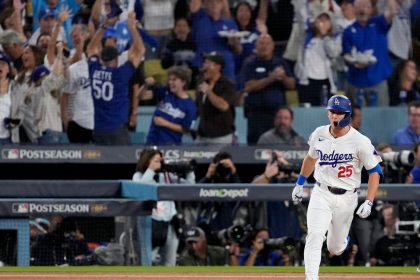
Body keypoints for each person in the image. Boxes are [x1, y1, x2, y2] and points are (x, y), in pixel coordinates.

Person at [291, 95, 383, 280]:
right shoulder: (319, 133)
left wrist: (370, 201)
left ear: (348, 115)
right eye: (333, 111)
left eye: (340, 113)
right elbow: (310, 158)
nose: (335, 116)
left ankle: (342, 241)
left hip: (347, 198)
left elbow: (375, 171)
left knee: (335, 248)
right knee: (315, 235)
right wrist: (300, 183)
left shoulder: (360, 141)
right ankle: (311, 278)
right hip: (321, 192)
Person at [87, 11, 144, 145]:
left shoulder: (94, 70)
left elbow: (91, 48)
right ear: (116, 59)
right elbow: (140, 50)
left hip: (98, 128)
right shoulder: (120, 75)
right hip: (116, 129)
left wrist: (103, 26)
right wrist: (132, 27)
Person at [133, 148, 195, 266]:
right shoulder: (138, 175)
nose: (160, 163)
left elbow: (190, 187)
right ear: (147, 161)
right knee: (147, 263)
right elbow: (141, 189)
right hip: (149, 224)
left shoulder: (166, 176)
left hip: (170, 224)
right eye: (156, 161)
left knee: (169, 264)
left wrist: (189, 170)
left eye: (160, 161)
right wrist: (151, 169)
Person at [240, 34, 295, 144]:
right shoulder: (249, 64)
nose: (264, 46)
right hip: (256, 115)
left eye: (267, 43)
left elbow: (292, 85)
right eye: (261, 43)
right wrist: (271, 78)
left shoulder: (280, 63)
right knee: (255, 148)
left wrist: (283, 77)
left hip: (277, 116)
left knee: (278, 146)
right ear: (256, 46)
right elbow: (248, 87)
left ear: (273, 46)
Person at [342, 0, 397, 107]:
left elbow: (392, 11)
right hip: (355, 82)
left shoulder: (379, 23)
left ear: (371, 9)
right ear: (354, 9)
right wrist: (354, 62)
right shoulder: (348, 31)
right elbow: (346, 54)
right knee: (354, 120)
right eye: (359, 7)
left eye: (366, 6)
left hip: (378, 79)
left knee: (379, 117)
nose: (362, 10)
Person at [141, 65, 197, 145]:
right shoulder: (165, 92)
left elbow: (186, 130)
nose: (170, 82)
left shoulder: (190, 105)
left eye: (174, 80)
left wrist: (165, 123)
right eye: (170, 79)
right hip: (151, 142)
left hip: (171, 145)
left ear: (183, 82)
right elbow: (141, 96)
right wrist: (145, 85)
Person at [195, 52, 236, 144]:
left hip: (221, 136)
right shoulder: (201, 82)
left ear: (218, 67)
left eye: (208, 63)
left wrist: (209, 92)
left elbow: (224, 106)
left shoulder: (227, 85)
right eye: (204, 62)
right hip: (202, 135)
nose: (204, 66)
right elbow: (198, 106)